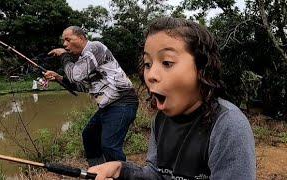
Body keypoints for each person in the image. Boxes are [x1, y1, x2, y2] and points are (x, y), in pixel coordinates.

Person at [87, 17, 256, 180]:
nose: (151, 75)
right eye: (147, 64)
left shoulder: (228, 124)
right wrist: (121, 170)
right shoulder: (160, 120)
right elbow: (158, 174)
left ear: (201, 68)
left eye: (167, 62)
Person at [44, 26, 139, 166]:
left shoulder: (94, 48)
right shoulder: (85, 60)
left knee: (110, 146)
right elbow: (82, 86)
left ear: (81, 38)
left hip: (123, 101)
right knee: (89, 136)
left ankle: (123, 174)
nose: (64, 44)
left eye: (68, 39)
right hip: (108, 106)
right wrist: (59, 78)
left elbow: (75, 76)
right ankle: (98, 171)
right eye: (63, 41)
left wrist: (64, 55)